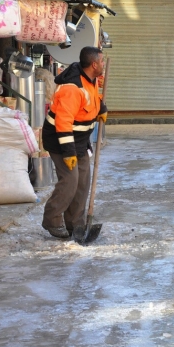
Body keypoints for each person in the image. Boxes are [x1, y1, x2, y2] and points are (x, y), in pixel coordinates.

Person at [41, 46, 108, 238]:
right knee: (70, 181)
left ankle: (75, 223)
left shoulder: (91, 78)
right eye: (102, 61)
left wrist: (101, 108)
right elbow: (63, 123)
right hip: (60, 140)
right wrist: (68, 152)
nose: (103, 64)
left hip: (80, 140)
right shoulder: (72, 88)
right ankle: (51, 219)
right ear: (94, 64)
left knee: (83, 182)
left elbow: (91, 98)